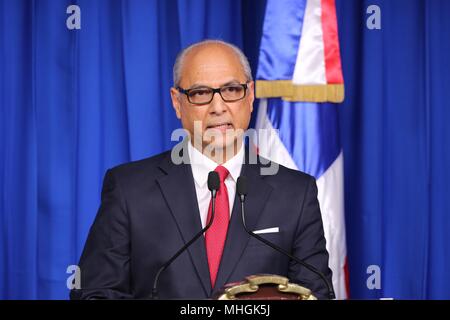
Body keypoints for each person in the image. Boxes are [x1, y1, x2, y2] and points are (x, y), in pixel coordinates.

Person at [70, 40, 333, 300]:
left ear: (250, 95)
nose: (218, 107)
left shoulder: (296, 194)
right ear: (177, 102)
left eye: (231, 90)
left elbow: (316, 294)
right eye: (200, 93)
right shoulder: (129, 189)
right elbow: (94, 294)